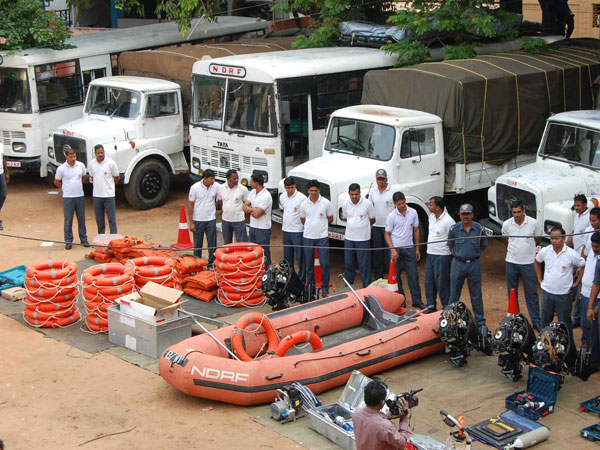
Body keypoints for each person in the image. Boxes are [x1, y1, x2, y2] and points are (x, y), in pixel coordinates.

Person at [535, 226, 585, 335]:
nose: (554, 241)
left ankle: (568, 348)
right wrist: (539, 279)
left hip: (564, 295)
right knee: (545, 323)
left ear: (563, 238)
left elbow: (582, 264)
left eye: (557, 238)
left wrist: (577, 282)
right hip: (547, 293)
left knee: (565, 325)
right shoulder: (545, 251)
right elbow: (537, 261)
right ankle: (543, 346)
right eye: (552, 238)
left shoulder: (571, 254)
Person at [501, 200, 542, 330]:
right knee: (512, 292)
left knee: (532, 293)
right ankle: (514, 319)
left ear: (523, 210)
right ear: (511, 212)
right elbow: (505, 239)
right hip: (511, 262)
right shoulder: (507, 224)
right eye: (514, 212)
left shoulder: (534, 223)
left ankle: (536, 321)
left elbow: (538, 239)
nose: (517, 215)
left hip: (528, 263)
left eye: (519, 212)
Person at [447, 204, 487, 326]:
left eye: (468, 214)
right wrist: (459, 255)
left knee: (476, 294)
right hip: (458, 264)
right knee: (454, 293)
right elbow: (450, 246)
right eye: (463, 214)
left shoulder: (480, 229)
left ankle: (480, 321)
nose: (465, 216)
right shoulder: (454, 229)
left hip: (474, 264)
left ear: (472, 215)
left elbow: (483, 245)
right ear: (459, 215)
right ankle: (450, 317)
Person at [384, 192, 424, 309]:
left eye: (403, 202)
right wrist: (392, 250)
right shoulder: (391, 216)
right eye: (399, 204)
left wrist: (417, 248)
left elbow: (416, 230)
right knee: (396, 277)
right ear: (395, 204)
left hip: (409, 248)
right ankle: (401, 300)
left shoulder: (413, 212)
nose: (402, 205)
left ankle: (417, 300)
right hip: (396, 250)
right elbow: (387, 234)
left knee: (413, 276)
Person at [353, 380, 412, 450]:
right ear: (382, 402)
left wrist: (386, 418)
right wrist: (404, 418)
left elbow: (373, 425)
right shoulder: (385, 426)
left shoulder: (357, 412)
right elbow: (402, 444)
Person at [300, 179, 333, 297]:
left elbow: (330, 218)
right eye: (311, 190)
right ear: (308, 190)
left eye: (315, 190)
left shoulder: (326, 203)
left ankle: (325, 289)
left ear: (319, 190)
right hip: (308, 237)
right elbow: (303, 219)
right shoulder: (303, 204)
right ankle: (311, 289)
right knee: (309, 265)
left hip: (322, 237)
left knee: (325, 264)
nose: (313, 193)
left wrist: (321, 227)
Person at [54, 145, 89, 250]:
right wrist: (63, 187)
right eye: (71, 157)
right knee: (68, 220)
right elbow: (56, 181)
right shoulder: (61, 169)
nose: (73, 159)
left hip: (79, 196)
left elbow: (83, 177)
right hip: (68, 197)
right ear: (66, 157)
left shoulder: (81, 165)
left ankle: (84, 239)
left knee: (81, 219)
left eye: (74, 157)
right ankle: (68, 241)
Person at [342, 183, 375, 288]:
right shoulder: (345, 204)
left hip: (363, 239)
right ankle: (349, 287)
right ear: (349, 193)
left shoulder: (368, 204)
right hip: (349, 238)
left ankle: (366, 287)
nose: (354, 197)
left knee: (364, 265)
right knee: (348, 264)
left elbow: (372, 219)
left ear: (360, 193)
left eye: (356, 194)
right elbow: (345, 217)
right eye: (352, 195)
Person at [425, 196, 455, 311]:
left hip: (442, 256)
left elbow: (453, 239)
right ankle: (430, 306)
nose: (429, 206)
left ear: (438, 207)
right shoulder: (431, 217)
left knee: (442, 284)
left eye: (431, 204)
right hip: (430, 254)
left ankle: (446, 308)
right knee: (429, 282)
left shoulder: (448, 221)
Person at [370, 169, 398, 280]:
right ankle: (379, 278)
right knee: (378, 254)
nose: (380, 181)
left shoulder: (393, 191)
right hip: (377, 227)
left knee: (390, 252)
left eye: (382, 179)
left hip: (389, 228)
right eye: (378, 179)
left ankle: (393, 278)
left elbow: (397, 209)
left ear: (386, 179)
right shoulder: (373, 192)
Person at [568, 194, 590, 327]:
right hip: (574, 256)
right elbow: (573, 232)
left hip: (582, 259)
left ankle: (576, 319)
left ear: (585, 204)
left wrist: (583, 259)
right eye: (575, 205)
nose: (576, 208)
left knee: (579, 290)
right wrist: (565, 245)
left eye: (578, 205)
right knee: (571, 285)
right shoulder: (577, 216)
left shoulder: (589, 218)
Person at [87, 144, 119, 235]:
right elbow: (92, 176)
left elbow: (116, 177)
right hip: (97, 196)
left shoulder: (111, 163)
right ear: (95, 153)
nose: (100, 154)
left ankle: (114, 239)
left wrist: (111, 187)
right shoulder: (92, 163)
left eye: (102, 152)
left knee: (111, 219)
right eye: (98, 153)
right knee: (99, 219)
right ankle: (101, 238)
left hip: (109, 196)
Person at [279, 176, 306, 283]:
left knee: (300, 257)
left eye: (292, 187)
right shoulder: (282, 197)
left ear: (295, 186)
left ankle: (302, 279)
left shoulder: (302, 198)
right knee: (287, 257)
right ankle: (290, 278)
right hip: (286, 230)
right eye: (287, 188)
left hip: (298, 231)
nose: (290, 190)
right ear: (284, 187)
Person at [188, 169, 218, 265]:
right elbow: (190, 205)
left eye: (214, 179)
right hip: (198, 220)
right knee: (198, 245)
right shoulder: (195, 188)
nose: (213, 181)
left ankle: (211, 265)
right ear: (205, 178)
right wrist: (191, 223)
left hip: (211, 220)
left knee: (212, 245)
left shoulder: (216, 187)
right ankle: (197, 265)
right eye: (211, 179)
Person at [580, 232, 600, 366]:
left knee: (596, 332)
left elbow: (597, 284)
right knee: (588, 327)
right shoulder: (595, 256)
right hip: (588, 295)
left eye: (597, 247)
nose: (594, 249)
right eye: (593, 246)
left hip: (596, 299)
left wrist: (591, 308)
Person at [244, 172, 273, 267]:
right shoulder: (252, 192)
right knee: (254, 252)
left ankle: (267, 271)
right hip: (253, 227)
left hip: (263, 229)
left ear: (257, 183)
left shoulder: (266, 196)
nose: (250, 184)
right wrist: (255, 209)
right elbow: (244, 207)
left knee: (264, 253)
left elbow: (256, 214)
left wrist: (252, 210)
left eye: (252, 182)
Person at [218, 169, 248, 244]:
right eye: (234, 178)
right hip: (226, 220)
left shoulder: (243, 189)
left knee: (242, 244)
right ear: (228, 179)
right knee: (227, 244)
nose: (237, 180)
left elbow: (247, 202)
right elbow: (219, 201)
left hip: (239, 220)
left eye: (237, 177)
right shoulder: (221, 188)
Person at [0, 142, 9, 231]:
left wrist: (6, 173)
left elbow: (3, 159)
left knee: (3, 195)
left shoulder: (1, 145)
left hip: (0, 173)